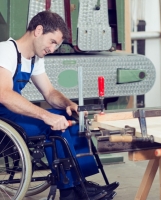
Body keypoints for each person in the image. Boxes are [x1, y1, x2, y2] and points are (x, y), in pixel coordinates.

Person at [0, 11, 119, 200]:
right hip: (3, 122)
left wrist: (70, 105)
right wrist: (47, 116)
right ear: (38, 30)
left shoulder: (34, 59)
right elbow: (4, 95)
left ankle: (81, 182)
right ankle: (69, 191)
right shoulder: (6, 51)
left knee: (68, 116)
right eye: (52, 42)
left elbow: (49, 93)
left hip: (11, 117)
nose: (53, 49)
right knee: (51, 124)